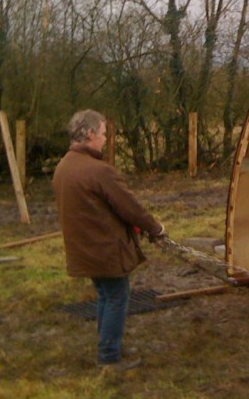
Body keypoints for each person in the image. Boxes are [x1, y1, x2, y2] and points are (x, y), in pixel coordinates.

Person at [52, 109, 167, 370]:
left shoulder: (64, 167)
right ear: (90, 133)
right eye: (103, 133)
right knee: (117, 296)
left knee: (106, 295)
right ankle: (109, 356)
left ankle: (109, 346)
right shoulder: (99, 171)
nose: (105, 139)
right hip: (105, 248)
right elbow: (131, 207)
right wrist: (156, 229)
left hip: (84, 248)